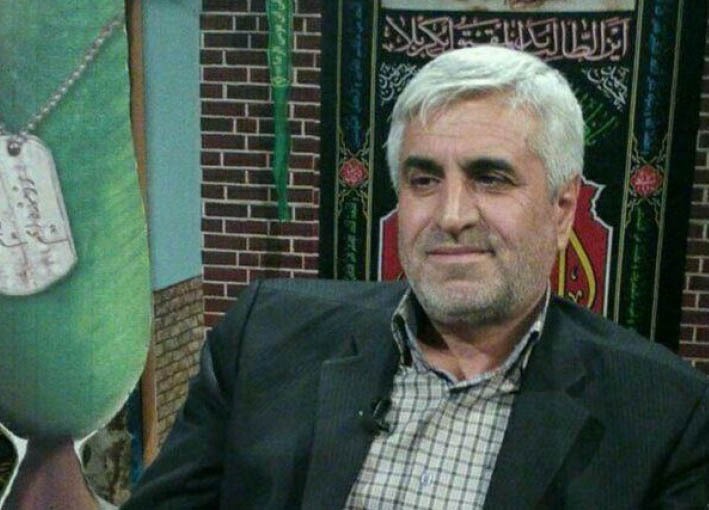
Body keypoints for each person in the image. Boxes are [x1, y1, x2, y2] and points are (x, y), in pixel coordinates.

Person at [122, 46, 709, 509]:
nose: (451, 216)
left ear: (562, 209)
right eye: (424, 180)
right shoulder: (264, 338)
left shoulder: (665, 418)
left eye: (491, 178)